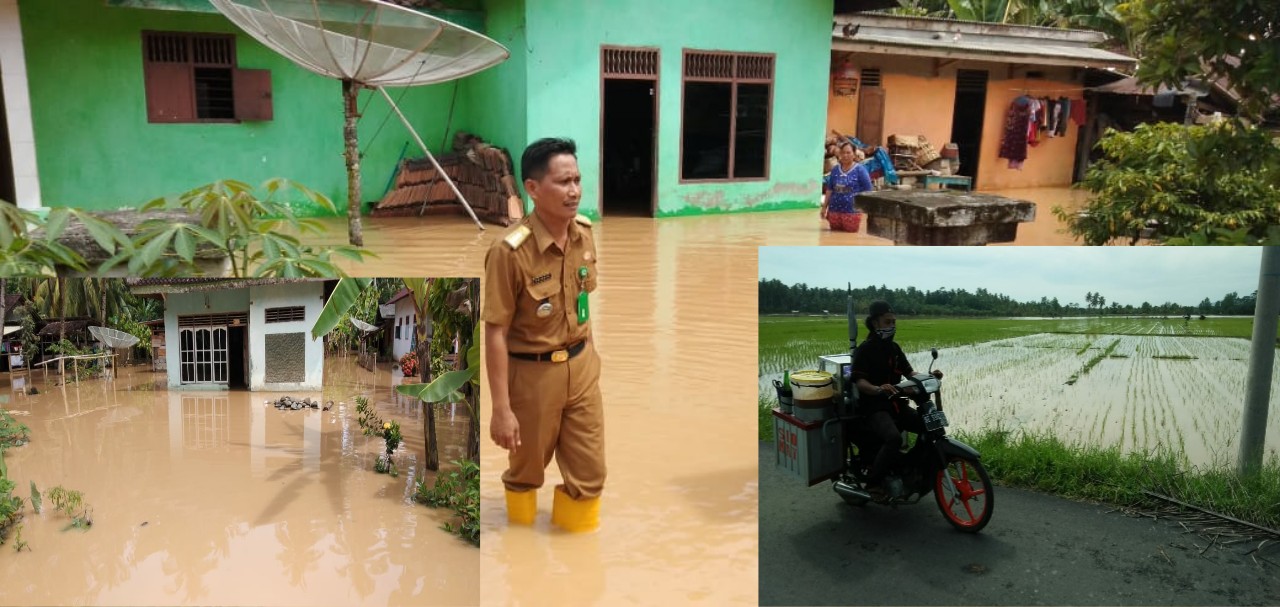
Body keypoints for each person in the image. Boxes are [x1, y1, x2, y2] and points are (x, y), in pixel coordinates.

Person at [482, 137, 605, 533]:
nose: (574, 191)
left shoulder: (585, 234)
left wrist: (589, 358)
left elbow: (581, 307)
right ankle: (521, 556)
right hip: (532, 377)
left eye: (577, 180)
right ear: (533, 189)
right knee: (526, 473)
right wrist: (501, 409)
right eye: (563, 182)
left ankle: (577, 569)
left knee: (590, 475)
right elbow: (495, 332)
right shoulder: (509, 253)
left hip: (582, 369)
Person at [850, 301, 941, 501]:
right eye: (887, 322)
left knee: (929, 425)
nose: (892, 326)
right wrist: (877, 388)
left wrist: (928, 377)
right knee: (893, 438)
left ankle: (908, 468)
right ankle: (874, 482)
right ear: (875, 323)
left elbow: (909, 372)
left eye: (894, 322)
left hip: (896, 403)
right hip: (874, 407)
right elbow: (860, 381)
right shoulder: (865, 350)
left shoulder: (894, 348)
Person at [820, 141, 873, 232]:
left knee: (850, 239)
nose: (845, 155)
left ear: (854, 154)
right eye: (843, 152)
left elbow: (868, 190)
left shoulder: (860, 170)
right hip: (834, 212)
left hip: (852, 213)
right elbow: (829, 189)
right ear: (840, 154)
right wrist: (824, 207)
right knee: (834, 239)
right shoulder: (835, 170)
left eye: (848, 152)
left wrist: (865, 210)